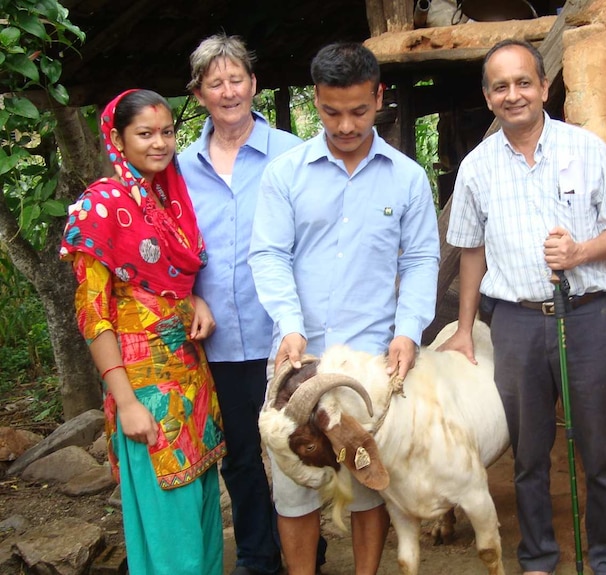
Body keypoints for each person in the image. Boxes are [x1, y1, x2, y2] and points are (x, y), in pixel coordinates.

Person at [440, 39, 606, 575]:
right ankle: (539, 559)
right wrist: (463, 328)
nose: (514, 94)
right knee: (527, 457)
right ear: (487, 97)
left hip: (588, 316)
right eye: (500, 86)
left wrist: (579, 251)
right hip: (518, 324)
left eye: (524, 82)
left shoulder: (586, 148)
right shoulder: (477, 168)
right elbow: (471, 252)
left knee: (600, 455)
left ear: (545, 87)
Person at [248, 42, 439, 575]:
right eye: (332, 112)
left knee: (368, 483)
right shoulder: (286, 174)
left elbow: (423, 258)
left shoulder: (406, 178)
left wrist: (408, 331)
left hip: (369, 364)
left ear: (378, 97)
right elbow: (268, 253)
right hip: (296, 358)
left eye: (359, 110)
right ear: (316, 100)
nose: (346, 124)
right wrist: (288, 324)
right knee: (294, 486)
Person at [59, 89, 225, 575]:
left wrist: (196, 300)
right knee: (169, 529)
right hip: (144, 390)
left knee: (201, 517)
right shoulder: (100, 207)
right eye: (146, 134)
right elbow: (94, 314)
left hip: (191, 382)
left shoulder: (167, 201)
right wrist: (127, 402)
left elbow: (167, 284)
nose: (160, 144)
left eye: (168, 132)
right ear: (117, 139)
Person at [177, 34, 306, 575]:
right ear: (200, 93)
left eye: (237, 79)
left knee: (297, 445)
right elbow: (172, 250)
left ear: (253, 84)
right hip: (221, 338)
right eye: (215, 83)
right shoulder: (180, 168)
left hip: (284, 332)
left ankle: (308, 549)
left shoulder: (293, 154)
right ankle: (257, 554)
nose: (228, 91)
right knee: (242, 455)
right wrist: (188, 298)